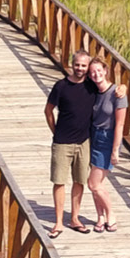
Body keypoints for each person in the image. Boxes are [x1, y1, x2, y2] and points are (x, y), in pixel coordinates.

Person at [43, 50, 97, 236]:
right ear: (71, 65)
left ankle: (75, 218)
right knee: (59, 181)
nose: (80, 68)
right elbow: (48, 110)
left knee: (79, 181)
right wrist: (55, 131)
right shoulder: (61, 86)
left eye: (83, 65)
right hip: (62, 142)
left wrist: (121, 89)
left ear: (88, 67)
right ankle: (58, 222)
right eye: (77, 65)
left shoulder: (92, 86)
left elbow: (110, 88)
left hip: (84, 142)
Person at [86, 58, 128, 232]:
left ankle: (111, 214)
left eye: (99, 70)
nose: (96, 74)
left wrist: (115, 151)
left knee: (93, 184)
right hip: (92, 136)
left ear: (105, 70)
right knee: (99, 182)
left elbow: (119, 124)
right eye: (92, 72)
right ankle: (100, 217)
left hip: (107, 139)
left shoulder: (117, 93)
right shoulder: (93, 91)